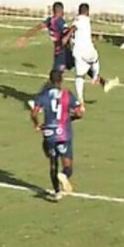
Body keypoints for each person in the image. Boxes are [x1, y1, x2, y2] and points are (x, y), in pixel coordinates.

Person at [29, 69, 84, 202]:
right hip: (64, 133)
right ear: (61, 80)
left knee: (53, 163)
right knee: (67, 166)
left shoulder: (43, 95)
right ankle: (64, 175)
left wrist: (37, 125)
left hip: (49, 133)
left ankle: (57, 192)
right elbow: (79, 113)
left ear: (49, 80)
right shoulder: (66, 94)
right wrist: (71, 117)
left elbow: (34, 113)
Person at [70, 3, 118, 104]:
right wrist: (67, 35)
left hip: (77, 51)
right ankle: (96, 78)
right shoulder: (84, 19)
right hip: (87, 50)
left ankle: (80, 99)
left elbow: (79, 30)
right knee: (95, 59)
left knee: (79, 76)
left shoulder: (77, 19)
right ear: (87, 12)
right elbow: (74, 28)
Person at [16, 1, 73, 72]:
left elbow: (38, 27)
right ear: (62, 10)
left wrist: (25, 36)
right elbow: (68, 33)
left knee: (57, 74)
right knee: (57, 74)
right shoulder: (60, 21)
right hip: (61, 52)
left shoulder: (50, 20)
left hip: (62, 52)